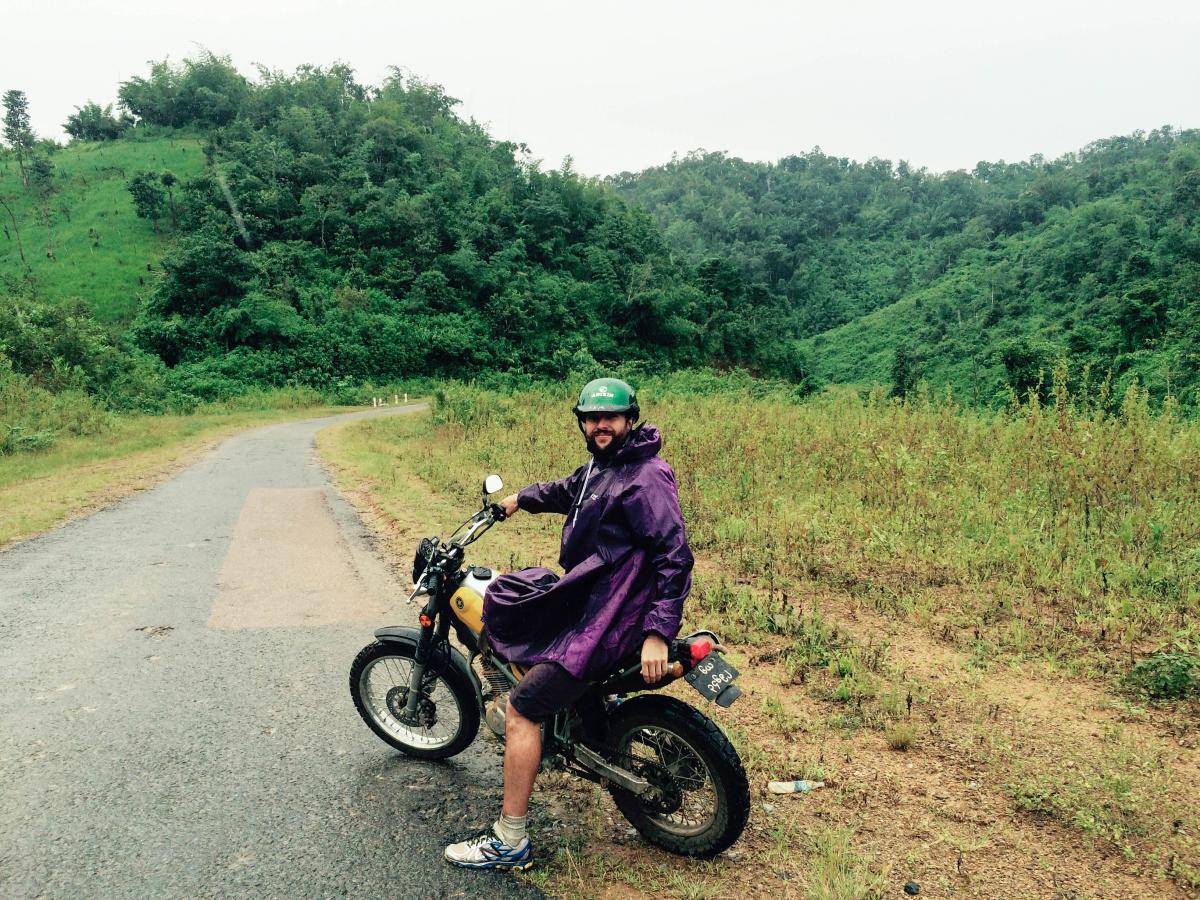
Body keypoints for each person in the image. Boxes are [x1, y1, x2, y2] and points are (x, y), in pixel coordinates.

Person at [444, 377, 694, 871]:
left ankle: (509, 840)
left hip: (611, 619)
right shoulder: (604, 468)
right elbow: (568, 490)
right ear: (582, 422)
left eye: (611, 417)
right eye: (592, 418)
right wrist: (518, 499)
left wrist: (656, 632)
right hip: (593, 601)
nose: (601, 425)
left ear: (629, 420)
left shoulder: (645, 476)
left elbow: (674, 556)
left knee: (522, 708)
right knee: (519, 595)